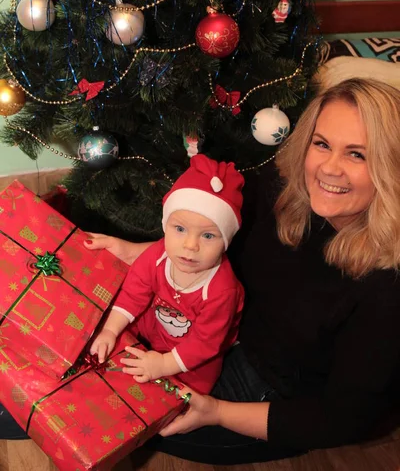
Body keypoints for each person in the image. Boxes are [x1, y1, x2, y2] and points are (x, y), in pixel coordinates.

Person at [2, 77, 400, 465]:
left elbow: (344, 418)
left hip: (270, 399)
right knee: (85, 332)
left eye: (357, 154)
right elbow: (219, 243)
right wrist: (137, 252)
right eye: (322, 143)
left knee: (102, 406)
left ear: (391, 165)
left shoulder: (386, 289)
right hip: (220, 331)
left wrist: (216, 412)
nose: (329, 168)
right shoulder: (286, 193)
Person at [90, 154, 245, 394]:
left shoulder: (222, 290)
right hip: (157, 323)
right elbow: (133, 293)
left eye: (208, 236)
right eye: (180, 229)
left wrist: (164, 364)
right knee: (114, 336)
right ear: (166, 225)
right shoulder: (158, 254)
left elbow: (205, 343)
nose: (190, 245)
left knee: (189, 391)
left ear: (225, 242)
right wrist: (110, 329)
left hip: (195, 352)